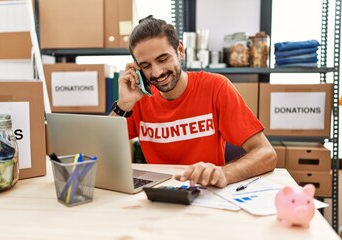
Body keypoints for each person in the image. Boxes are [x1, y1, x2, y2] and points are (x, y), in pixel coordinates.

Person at [110, 15, 277, 188]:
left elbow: (266, 153)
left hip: (207, 192)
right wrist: (124, 105)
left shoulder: (216, 87)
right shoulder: (138, 99)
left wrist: (225, 173)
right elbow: (98, 155)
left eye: (162, 59)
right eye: (145, 66)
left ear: (180, 50)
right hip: (158, 194)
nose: (157, 72)